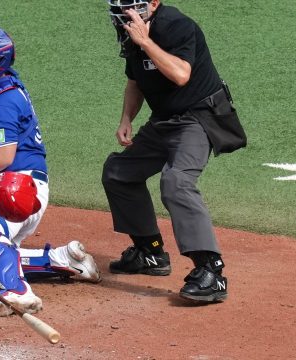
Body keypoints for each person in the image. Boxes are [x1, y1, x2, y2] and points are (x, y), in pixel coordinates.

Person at [0, 26, 101, 317]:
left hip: (14, 185)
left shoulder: (1, 102)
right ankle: (63, 260)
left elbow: (1, 157)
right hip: (18, 182)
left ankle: (18, 292)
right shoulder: (0, 88)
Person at [103, 0, 246, 303]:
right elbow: (135, 81)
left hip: (198, 118)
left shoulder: (177, 26)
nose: (123, 12)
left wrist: (145, 41)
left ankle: (211, 272)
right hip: (163, 122)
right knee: (119, 172)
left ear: (153, 3)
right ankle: (150, 252)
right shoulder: (131, 32)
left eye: (130, 5)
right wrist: (126, 118)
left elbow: (181, 74)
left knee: (176, 182)